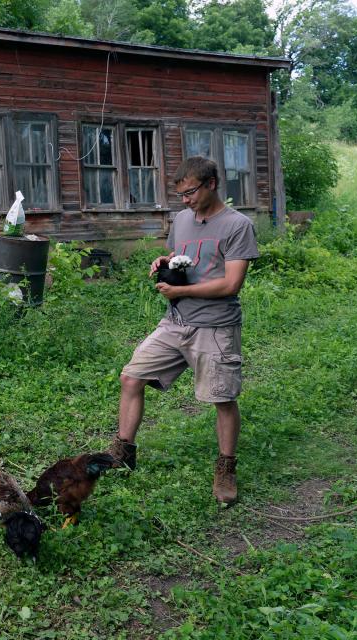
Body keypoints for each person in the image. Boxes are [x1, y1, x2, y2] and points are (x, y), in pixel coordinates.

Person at [102, 156, 260, 506]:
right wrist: (166, 262)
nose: (185, 201)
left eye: (190, 193)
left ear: (211, 184)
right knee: (131, 378)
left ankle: (226, 468)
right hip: (175, 322)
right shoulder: (183, 220)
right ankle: (123, 451)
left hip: (215, 327)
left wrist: (182, 291)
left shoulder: (237, 225)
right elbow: (183, 255)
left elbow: (231, 284)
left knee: (222, 398)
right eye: (181, 195)